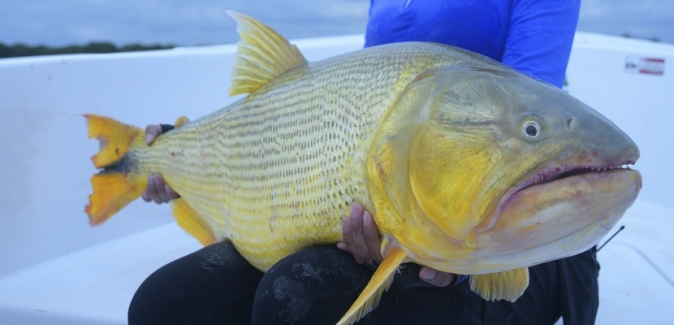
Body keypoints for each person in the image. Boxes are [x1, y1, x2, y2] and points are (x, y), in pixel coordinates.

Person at [129, 1, 599, 324]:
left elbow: (526, 110)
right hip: (380, 212)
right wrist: (178, 152)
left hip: (492, 229)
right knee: (163, 303)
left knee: (293, 297)